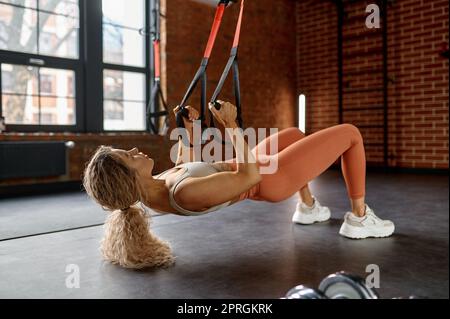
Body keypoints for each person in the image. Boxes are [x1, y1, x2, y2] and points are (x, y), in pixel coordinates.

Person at [83, 101, 395, 269]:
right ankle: (359, 217)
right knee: (351, 134)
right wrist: (231, 125)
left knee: (295, 135)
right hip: (268, 179)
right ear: (128, 177)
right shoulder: (184, 194)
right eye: (129, 156)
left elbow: (193, 165)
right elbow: (250, 178)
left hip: (248, 163)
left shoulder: (155, 186)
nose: (136, 152)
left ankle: (309, 208)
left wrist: (191, 126)